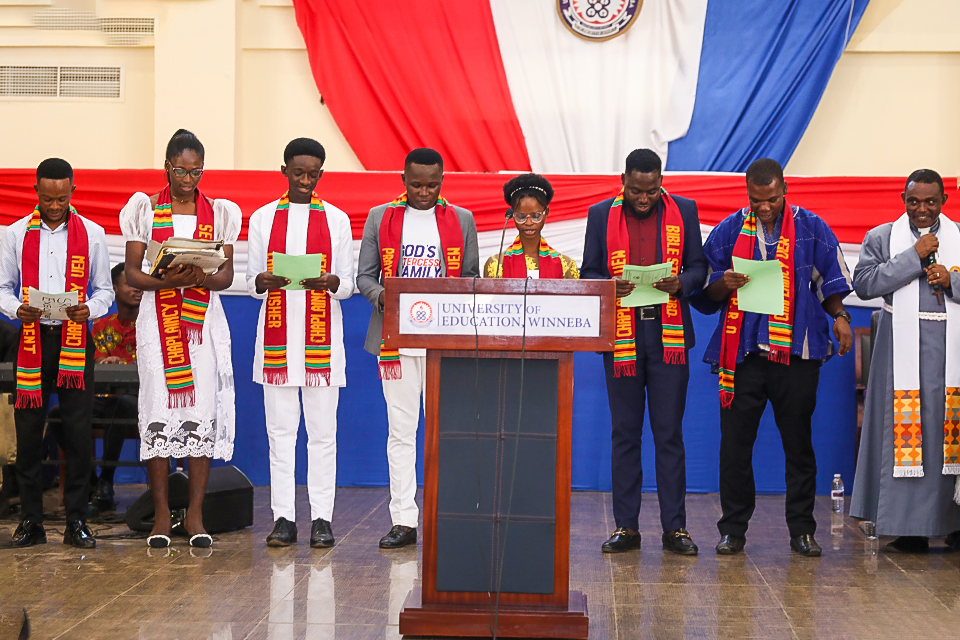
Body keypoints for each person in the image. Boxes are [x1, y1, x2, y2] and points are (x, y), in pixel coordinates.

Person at [694, 158, 853, 557]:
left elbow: (828, 280)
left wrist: (840, 316)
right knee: (735, 446)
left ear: (784, 190)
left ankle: (802, 531)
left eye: (771, 199)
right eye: (756, 200)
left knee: (798, 444)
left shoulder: (811, 227)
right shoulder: (730, 229)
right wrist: (722, 284)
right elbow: (704, 289)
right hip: (743, 356)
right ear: (747, 193)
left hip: (796, 355)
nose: (764, 208)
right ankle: (733, 531)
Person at [580, 149, 707, 556]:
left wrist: (682, 283)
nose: (643, 198)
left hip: (668, 339)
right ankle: (626, 527)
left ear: (661, 183)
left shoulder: (684, 210)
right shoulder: (601, 215)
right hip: (622, 338)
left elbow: (699, 267)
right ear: (623, 181)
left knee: (669, 435)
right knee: (625, 434)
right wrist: (608, 285)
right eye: (636, 190)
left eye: (652, 190)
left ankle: (676, 530)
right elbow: (589, 272)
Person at [121, 129, 240, 548]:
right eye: (181, 170)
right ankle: (159, 515)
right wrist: (164, 279)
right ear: (167, 167)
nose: (188, 179)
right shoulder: (144, 209)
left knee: (200, 408)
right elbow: (132, 271)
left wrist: (200, 276)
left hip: (202, 321)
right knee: (158, 407)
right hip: (157, 319)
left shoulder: (221, 213)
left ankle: (195, 515)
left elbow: (225, 275)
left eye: (196, 171)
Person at [356, 148, 479, 549]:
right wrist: (384, 298)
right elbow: (364, 276)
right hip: (396, 342)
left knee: (447, 434)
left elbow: (472, 278)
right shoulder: (381, 217)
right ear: (403, 180)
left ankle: (449, 517)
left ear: (442, 181)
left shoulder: (462, 220)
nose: (424, 192)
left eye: (432, 185)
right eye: (416, 184)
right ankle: (404, 520)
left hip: (445, 342)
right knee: (401, 433)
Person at [0, 158, 114, 548]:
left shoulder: (93, 234)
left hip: (74, 341)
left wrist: (90, 310)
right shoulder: (14, 234)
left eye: (62, 198)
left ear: (72, 193)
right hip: (31, 340)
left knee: (79, 434)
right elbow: (2, 288)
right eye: (47, 198)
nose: (54, 205)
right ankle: (31, 521)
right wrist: (17, 308)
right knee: (29, 433)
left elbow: (105, 291)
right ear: (36, 192)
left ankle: (77, 522)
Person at [247, 138, 355, 548]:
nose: (306, 180)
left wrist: (332, 283)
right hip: (277, 336)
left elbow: (346, 282)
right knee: (281, 433)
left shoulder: (338, 220)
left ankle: (322, 518)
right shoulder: (261, 219)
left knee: (323, 434)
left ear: (321, 175)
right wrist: (261, 281)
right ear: (285, 171)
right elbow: (251, 280)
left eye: (313, 174)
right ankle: (283, 518)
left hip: (323, 340)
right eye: (299, 173)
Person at [849, 169, 960, 553]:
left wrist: (951, 282)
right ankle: (907, 526)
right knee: (907, 432)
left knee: (947, 433)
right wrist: (913, 256)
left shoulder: (959, 237)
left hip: (951, 347)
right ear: (903, 200)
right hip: (900, 350)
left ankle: (953, 524)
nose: (922, 209)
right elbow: (864, 284)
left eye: (931, 201)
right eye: (914, 202)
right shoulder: (882, 237)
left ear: (944, 200)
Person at [484, 173, 578, 279]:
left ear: (546, 213)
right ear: (513, 215)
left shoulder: (566, 264)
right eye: (521, 216)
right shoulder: (496, 264)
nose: (528, 223)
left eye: (536, 216)